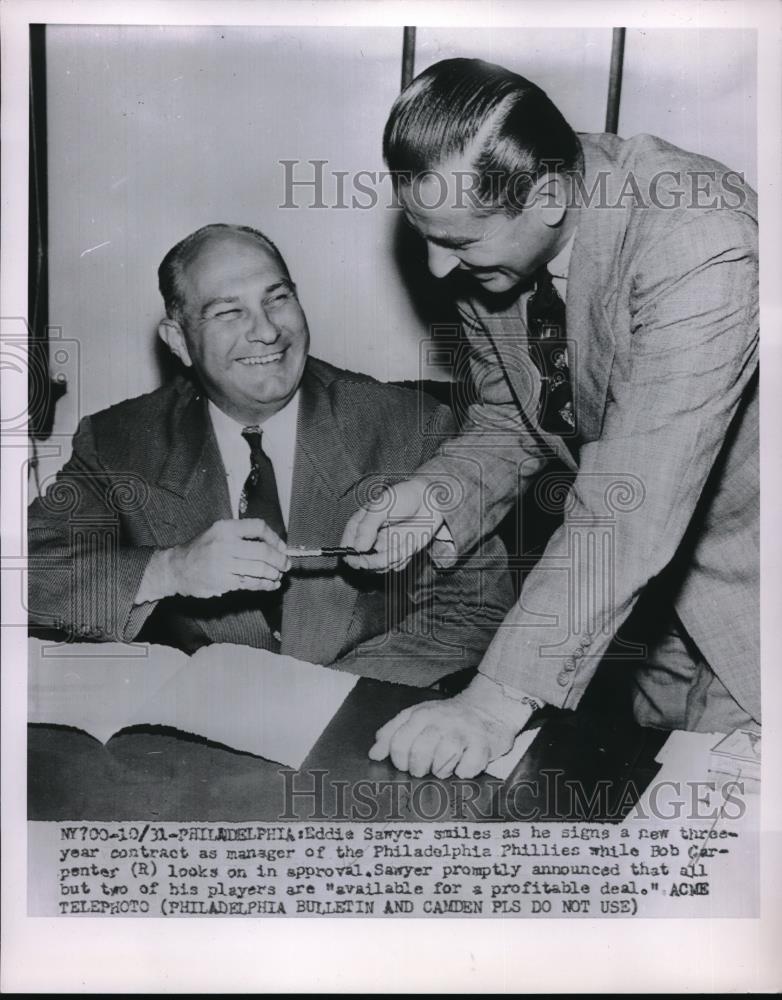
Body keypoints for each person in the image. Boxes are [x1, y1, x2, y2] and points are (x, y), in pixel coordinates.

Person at [341, 57, 759, 777]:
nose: (438, 272)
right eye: (427, 238)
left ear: (547, 198)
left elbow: (634, 497)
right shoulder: (488, 244)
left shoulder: (700, 240)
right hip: (642, 610)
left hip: (754, 598)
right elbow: (515, 416)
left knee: (724, 844)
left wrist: (494, 699)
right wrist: (439, 495)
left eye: (460, 244)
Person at [28, 223, 513, 687]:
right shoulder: (119, 441)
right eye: (228, 312)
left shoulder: (410, 426)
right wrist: (170, 569)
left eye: (277, 299)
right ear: (178, 340)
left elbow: (475, 609)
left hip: (359, 723)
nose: (266, 331)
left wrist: (321, 696)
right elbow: (25, 574)